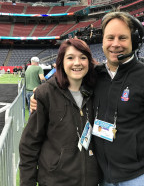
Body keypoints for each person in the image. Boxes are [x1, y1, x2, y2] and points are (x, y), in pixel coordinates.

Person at [30, 10, 144, 186]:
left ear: (134, 41)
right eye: (110, 38)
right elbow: (66, 77)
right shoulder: (94, 75)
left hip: (139, 176)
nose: (115, 44)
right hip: (103, 177)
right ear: (102, 42)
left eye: (122, 38)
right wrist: (39, 95)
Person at [19, 39, 102, 186]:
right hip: (55, 181)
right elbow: (29, 145)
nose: (77, 63)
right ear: (61, 62)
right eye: (70, 58)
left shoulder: (96, 90)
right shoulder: (45, 94)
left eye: (83, 57)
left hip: (90, 181)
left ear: (89, 62)